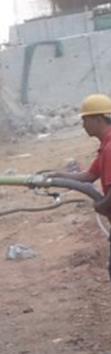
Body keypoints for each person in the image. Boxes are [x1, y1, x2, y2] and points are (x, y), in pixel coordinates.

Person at [46, 93, 111, 280]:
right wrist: (59, 176)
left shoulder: (110, 147)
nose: (83, 125)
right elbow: (89, 176)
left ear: (98, 119)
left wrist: (101, 206)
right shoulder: (106, 144)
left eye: (85, 120)